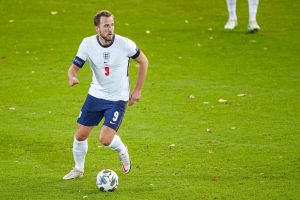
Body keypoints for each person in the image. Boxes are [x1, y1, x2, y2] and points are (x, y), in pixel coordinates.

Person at [63, 10, 148, 180]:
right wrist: (72, 77)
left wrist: (137, 90)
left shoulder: (125, 44)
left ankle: (123, 150)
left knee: (105, 139)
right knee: (80, 135)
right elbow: (73, 68)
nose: (110, 29)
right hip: (95, 95)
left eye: (112, 24)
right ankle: (78, 169)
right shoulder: (87, 44)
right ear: (97, 28)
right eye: (106, 25)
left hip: (117, 99)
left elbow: (143, 61)